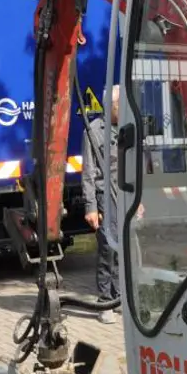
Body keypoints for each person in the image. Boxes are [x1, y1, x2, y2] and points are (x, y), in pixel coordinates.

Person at [82, 85, 121, 324]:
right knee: (107, 249)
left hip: (125, 196)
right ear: (111, 106)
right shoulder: (94, 131)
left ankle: (118, 297)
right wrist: (91, 207)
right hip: (105, 198)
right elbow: (88, 172)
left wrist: (138, 200)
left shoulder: (127, 128)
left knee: (122, 250)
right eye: (120, 105)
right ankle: (105, 301)